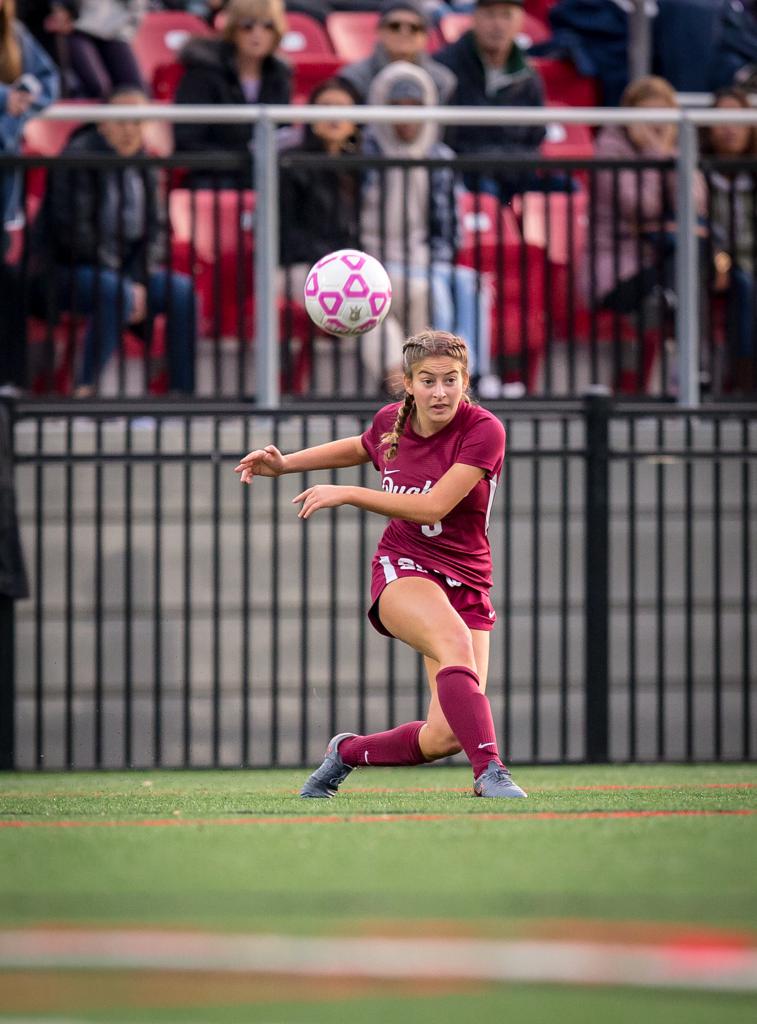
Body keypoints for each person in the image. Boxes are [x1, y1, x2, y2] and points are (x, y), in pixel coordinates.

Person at [234, 329, 527, 800]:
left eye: (451, 380)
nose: (440, 391)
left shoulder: (483, 429)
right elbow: (359, 445)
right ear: (408, 383)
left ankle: (346, 753)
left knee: (445, 736)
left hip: (468, 580)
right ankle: (491, 772)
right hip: (404, 567)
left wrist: (348, 492)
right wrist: (285, 465)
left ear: (466, 380)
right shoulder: (392, 421)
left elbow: (434, 507)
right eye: (428, 381)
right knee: (454, 644)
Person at [36, 86, 196, 396]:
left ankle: (181, 394)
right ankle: (86, 390)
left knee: (181, 292)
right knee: (112, 291)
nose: (130, 130)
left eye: (138, 122)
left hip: (126, 273)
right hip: (67, 270)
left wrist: (136, 278)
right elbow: (73, 234)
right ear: (102, 123)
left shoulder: (145, 163)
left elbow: (157, 231)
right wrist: (126, 282)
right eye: (122, 120)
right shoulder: (77, 159)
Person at [361, 61, 490, 378]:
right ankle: (441, 373)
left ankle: (474, 373)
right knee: (433, 290)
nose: (406, 117)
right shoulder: (364, 153)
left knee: (470, 283)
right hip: (377, 260)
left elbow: (449, 228)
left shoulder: (439, 157)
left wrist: (436, 260)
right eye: (396, 107)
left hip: (423, 256)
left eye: (415, 106)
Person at [278, 76, 405, 389]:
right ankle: (405, 389)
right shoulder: (291, 165)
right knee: (363, 305)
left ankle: (422, 386)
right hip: (296, 269)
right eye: (325, 108)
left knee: (414, 292)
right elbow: (282, 236)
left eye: (342, 109)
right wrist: (335, 262)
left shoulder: (361, 168)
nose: (334, 117)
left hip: (351, 270)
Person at [433, 0, 545, 201]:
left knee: (567, 188)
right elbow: (446, 139)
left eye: (506, 15)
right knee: (485, 192)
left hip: (515, 173)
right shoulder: (445, 69)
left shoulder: (529, 76)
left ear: (520, 22)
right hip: (467, 173)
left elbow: (536, 136)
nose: (498, 24)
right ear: (474, 18)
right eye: (490, 14)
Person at [173, 0, 291, 188]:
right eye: (247, 25)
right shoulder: (202, 73)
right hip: (214, 180)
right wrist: (244, 157)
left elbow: (284, 133)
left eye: (268, 26)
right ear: (232, 29)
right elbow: (188, 140)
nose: (257, 33)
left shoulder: (279, 76)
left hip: (265, 179)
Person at [701, 86, 756, 394]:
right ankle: (745, 384)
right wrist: (721, 262)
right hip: (724, 260)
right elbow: (702, 230)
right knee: (745, 285)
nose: (730, 130)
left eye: (738, 121)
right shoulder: (699, 172)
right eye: (721, 121)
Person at [1, 0, 59, 229]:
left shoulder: (15, 33)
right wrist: (5, 98)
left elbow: (48, 80)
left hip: (5, 159)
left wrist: (24, 101)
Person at [337, 0, 456, 104]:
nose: (404, 32)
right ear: (379, 31)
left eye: (414, 28)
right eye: (394, 26)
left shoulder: (442, 81)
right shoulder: (354, 78)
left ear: (426, 36)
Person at [39, 1, 146, 99]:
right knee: (97, 90)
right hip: (73, 27)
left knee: (136, 92)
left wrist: (128, 26)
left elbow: (136, 8)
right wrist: (62, 8)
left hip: (116, 30)